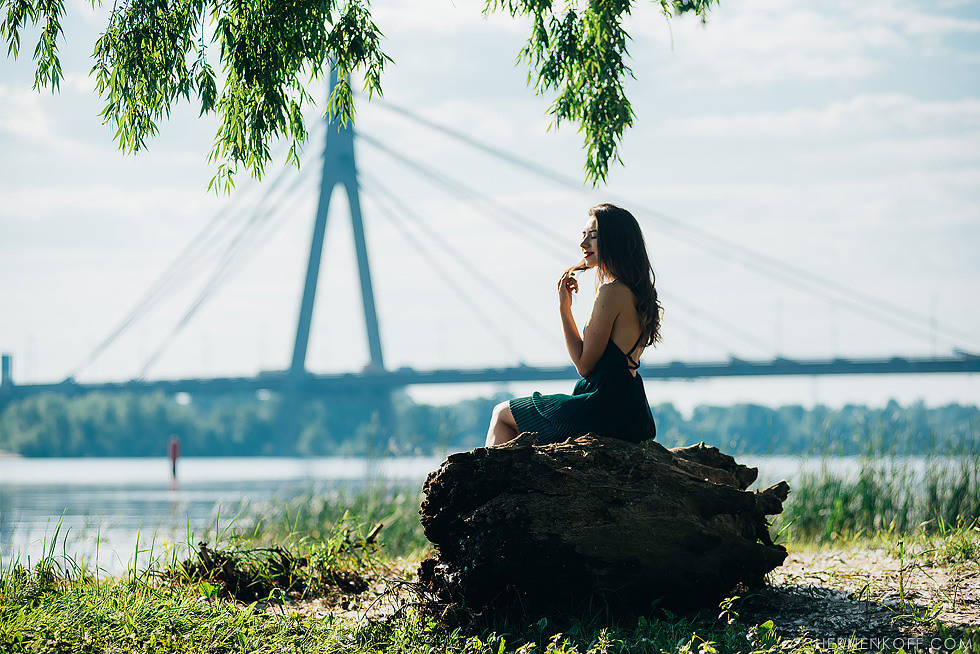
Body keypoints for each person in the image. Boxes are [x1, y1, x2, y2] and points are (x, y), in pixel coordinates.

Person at [486, 203, 662, 447]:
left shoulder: (611, 292)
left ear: (615, 241)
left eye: (593, 236)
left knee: (502, 414)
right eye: (583, 236)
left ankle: (485, 482)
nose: (583, 244)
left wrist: (564, 308)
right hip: (631, 407)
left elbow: (584, 365)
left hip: (603, 405)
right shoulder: (639, 292)